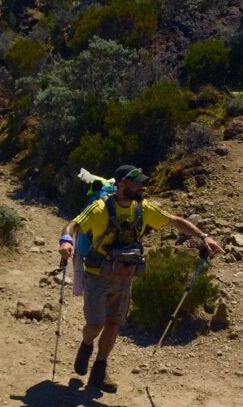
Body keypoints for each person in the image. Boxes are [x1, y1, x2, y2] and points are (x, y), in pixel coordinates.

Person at [58, 164, 224, 393]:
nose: (141, 186)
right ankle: (86, 344)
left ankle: (100, 369)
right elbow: (73, 224)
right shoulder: (100, 208)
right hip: (98, 276)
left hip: (126, 275)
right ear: (122, 184)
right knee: (95, 325)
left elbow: (173, 220)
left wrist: (204, 236)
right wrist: (66, 240)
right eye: (136, 182)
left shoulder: (142, 208)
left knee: (114, 325)